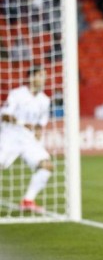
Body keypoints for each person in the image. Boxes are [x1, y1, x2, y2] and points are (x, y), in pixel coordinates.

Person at [0, 67, 53, 213]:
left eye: (45, 76)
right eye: (41, 75)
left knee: (46, 166)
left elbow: (40, 123)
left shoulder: (45, 100)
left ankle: (28, 200)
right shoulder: (17, 94)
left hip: (28, 140)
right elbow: (4, 115)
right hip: (11, 136)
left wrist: (37, 131)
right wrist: (22, 123)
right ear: (31, 77)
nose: (44, 79)